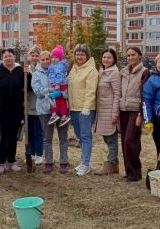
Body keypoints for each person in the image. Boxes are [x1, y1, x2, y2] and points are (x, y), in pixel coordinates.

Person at [0, 48, 27, 173]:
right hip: (0, 111)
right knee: (1, 137)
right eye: (6, 56)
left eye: (10, 55)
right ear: (2, 58)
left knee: (13, 137)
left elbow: (28, 86)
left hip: (16, 110)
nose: (8, 58)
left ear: (14, 57)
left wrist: (28, 73)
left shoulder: (20, 71)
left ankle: (12, 161)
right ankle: (1, 162)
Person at [32, 51, 70, 174]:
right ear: (39, 61)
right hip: (45, 110)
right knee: (47, 138)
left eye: (48, 58)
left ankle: (64, 162)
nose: (46, 61)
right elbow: (37, 91)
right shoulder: (36, 74)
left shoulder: (59, 70)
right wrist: (51, 90)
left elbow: (66, 88)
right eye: (43, 59)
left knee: (63, 137)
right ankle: (49, 162)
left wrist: (62, 93)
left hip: (61, 109)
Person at [67, 44, 99, 176]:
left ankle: (86, 164)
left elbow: (91, 91)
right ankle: (83, 161)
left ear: (87, 55)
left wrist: (86, 107)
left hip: (85, 109)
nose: (79, 57)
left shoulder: (91, 70)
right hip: (74, 108)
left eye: (82, 54)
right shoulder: (73, 68)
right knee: (80, 136)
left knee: (86, 136)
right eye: (77, 54)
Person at [119, 47, 149, 182]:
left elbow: (145, 94)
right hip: (123, 109)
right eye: (128, 55)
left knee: (131, 140)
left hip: (135, 110)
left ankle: (136, 172)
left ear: (140, 56)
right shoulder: (124, 72)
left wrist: (141, 114)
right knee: (124, 141)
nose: (130, 58)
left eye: (133, 55)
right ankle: (128, 170)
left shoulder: (144, 72)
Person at [94, 49, 121, 176]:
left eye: (109, 57)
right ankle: (114, 163)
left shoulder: (114, 73)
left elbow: (117, 94)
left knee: (111, 138)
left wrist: (115, 112)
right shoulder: (102, 71)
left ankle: (110, 163)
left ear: (114, 59)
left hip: (110, 109)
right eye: (104, 57)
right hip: (101, 110)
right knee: (106, 136)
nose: (106, 59)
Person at [25, 46, 44, 165]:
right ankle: (31, 153)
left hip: (39, 105)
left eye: (37, 55)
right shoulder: (26, 69)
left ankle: (40, 154)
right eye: (32, 55)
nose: (34, 58)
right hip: (29, 104)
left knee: (39, 131)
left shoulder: (42, 69)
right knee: (30, 131)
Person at [47, 44, 70, 127]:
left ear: (60, 58)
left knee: (55, 98)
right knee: (57, 101)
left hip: (59, 85)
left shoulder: (60, 65)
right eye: (52, 57)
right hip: (54, 84)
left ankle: (59, 115)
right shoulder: (53, 65)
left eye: (56, 57)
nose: (54, 59)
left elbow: (60, 75)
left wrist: (57, 84)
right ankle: (59, 115)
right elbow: (50, 74)